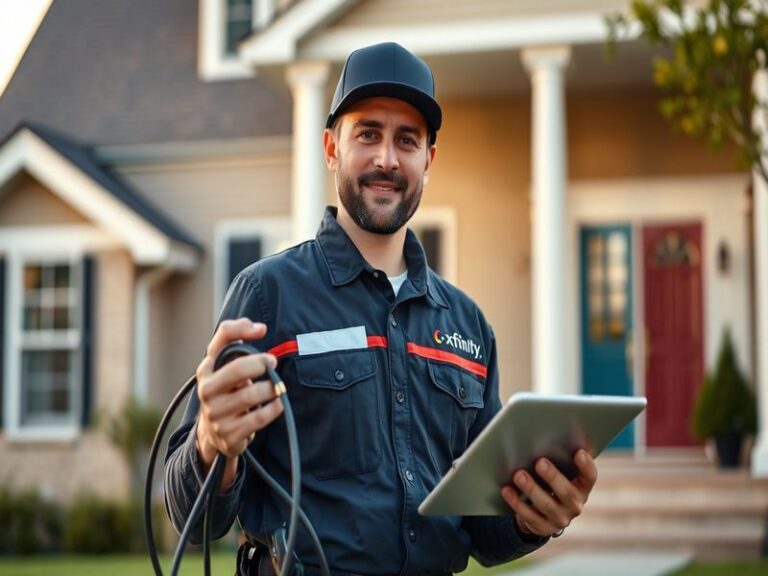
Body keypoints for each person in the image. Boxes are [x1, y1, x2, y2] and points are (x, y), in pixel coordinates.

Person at [164, 42, 597, 576]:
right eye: (368, 134)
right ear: (331, 148)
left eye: (407, 140)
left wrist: (534, 518)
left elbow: (481, 530)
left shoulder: (468, 327)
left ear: (428, 160)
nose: (387, 159)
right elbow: (191, 516)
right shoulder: (266, 295)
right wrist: (211, 442)